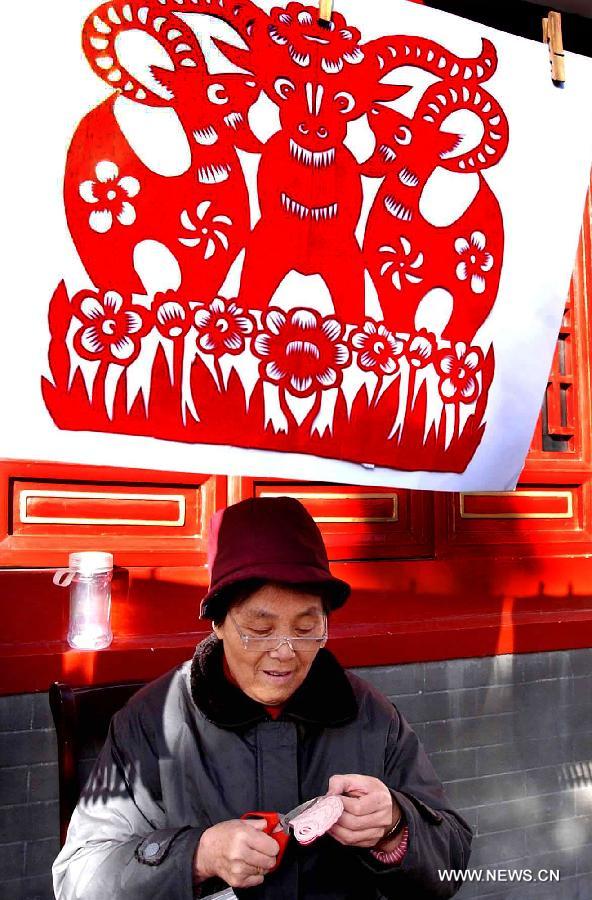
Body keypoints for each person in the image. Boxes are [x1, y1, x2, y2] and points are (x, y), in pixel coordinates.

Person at [53, 496, 472, 899]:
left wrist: (396, 826)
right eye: (260, 628)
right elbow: (79, 879)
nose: (285, 651)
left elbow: (450, 861)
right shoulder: (150, 723)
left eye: (307, 628)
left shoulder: (370, 715)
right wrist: (197, 855)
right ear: (217, 622)